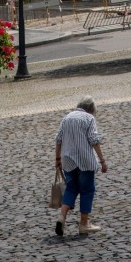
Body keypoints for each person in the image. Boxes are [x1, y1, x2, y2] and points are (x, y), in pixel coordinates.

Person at [54, 96, 108, 236]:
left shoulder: (66, 118)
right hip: (85, 160)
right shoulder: (89, 119)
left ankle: (62, 217)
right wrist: (102, 161)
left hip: (67, 160)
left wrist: (57, 159)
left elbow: (58, 139)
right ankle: (84, 224)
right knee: (87, 190)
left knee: (71, 188)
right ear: (91, 109)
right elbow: (94, 140)